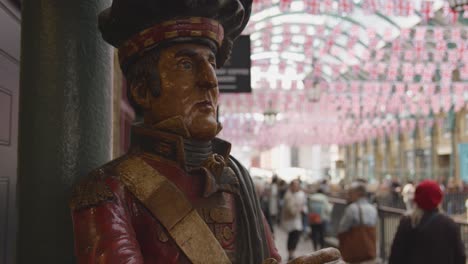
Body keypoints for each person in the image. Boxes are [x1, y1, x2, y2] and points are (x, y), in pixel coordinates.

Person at [69, 1, 344, 263]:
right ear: (142, 91)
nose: (210, 80)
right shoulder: (107, 191)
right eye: (186, 65)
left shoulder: (235, 180)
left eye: (211, 62)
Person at [389, 180, 466, 264]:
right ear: (439, 199)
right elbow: (460, 257)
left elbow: (395, 256)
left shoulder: (407, 222)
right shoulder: (449, 225)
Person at [338, 182, 377, 264]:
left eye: (350, 193)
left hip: (354, 252)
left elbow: (342, 229)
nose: (348, 196)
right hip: (369, 250)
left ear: (358, 193)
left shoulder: (352, 208)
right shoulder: (372, 208)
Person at [282, 180, 307, 261]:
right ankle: (291, 254)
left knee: (293, 237)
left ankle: (291, 253)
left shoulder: (293, 194)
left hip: (294, 220)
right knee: (293, 237)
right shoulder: (289, 195)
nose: (297, 187)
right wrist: (299, 208)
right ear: (292, 186)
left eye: (298, 185)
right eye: (295, 185)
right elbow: (291, 210)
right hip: (291, 221)